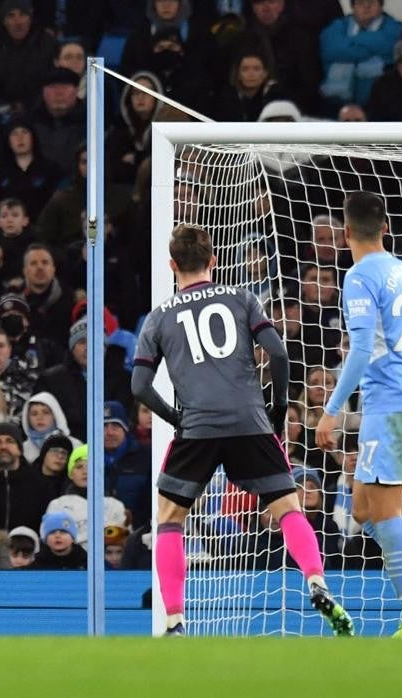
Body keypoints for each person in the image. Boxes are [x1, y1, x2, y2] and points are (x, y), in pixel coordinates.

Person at [132, 223, 353, 637]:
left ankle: (176, 620)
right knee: (288, 508)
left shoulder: (159, 317)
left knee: (168, 519)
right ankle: (316, 581)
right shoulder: (242, 298)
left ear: (171, 265)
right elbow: (279, 352)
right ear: (213, 261)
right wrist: (280, 405)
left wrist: (175, 417)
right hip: (250, 421)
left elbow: (139, 386)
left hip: (197, 427)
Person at [311, 191, 402, 638]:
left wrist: (331, 411)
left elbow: (359, 351)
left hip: (389, 402)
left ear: (344, 232)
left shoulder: (358, 277)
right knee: (362, 507)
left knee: (385, 513)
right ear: (386, 228)